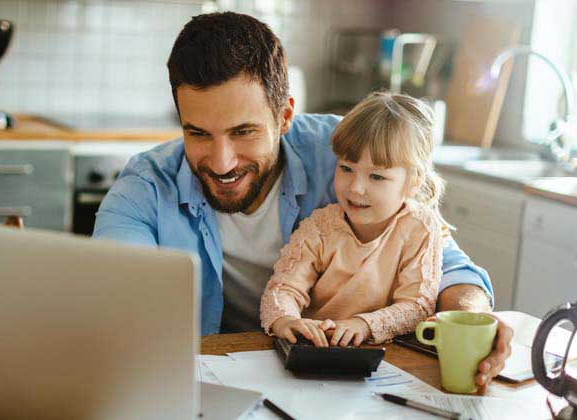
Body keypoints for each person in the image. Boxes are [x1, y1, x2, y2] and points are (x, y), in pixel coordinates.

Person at [93, 11, 512, 391]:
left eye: (243, 132)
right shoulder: (147, 184)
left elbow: (449, 265)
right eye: (198, 133)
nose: (221, 163)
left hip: (335, 383)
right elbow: (112, 287)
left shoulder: (348, 157)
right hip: (205, 382)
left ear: (286, 115)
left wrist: (474, 318)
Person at [262, 91, 447, 347]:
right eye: (346, 169)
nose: (356, 188)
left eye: (377, 177)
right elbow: (282, 290)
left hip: (381, 357)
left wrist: (364, 325)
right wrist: (287, 321)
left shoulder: (420, 228)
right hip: (313, 350)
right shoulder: (320, 227)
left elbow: (418, 305)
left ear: (413, 182)